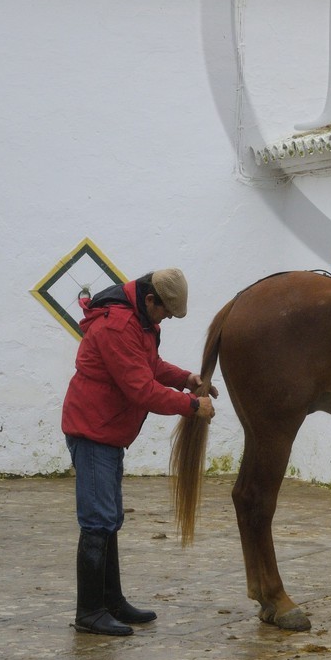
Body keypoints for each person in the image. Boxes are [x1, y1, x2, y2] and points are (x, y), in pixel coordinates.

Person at [61, 267, 217, 636]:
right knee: (98, 521)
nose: (166, 319)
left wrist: (185, 379)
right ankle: (89, 612)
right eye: (166, 311)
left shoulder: (139, 321)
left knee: (109, 518)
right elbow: (140, 388)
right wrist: (192, 406)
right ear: (150, 300)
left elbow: (150, 366)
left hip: (107, 431)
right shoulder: (118, 326)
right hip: (94, 431)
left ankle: (111, 602)